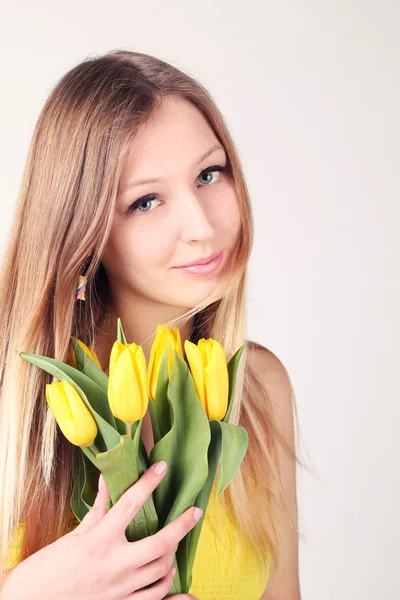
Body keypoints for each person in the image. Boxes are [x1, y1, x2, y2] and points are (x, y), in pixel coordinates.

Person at [0, 49, 302, 599]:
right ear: (82, 231)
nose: (202, 226)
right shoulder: (13, 407)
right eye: (145, 201)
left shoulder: (257, 390)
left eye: (210, 174)